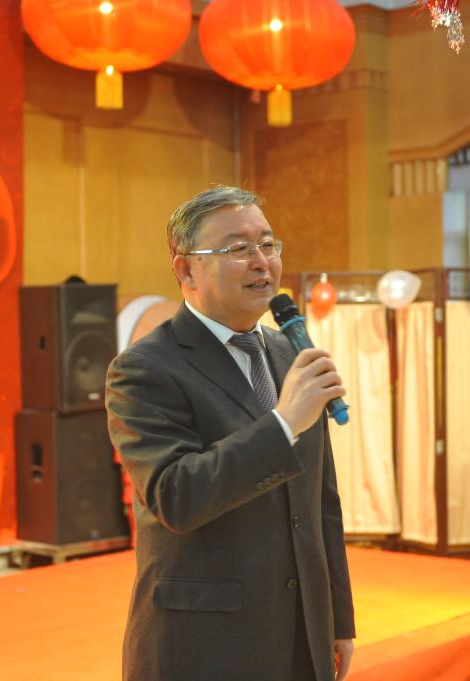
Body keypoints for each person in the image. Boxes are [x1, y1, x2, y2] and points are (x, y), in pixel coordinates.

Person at [106, 186, 355, 681]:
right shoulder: (144, 368)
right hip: (205, 642)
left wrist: (336, 619)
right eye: (238, 248)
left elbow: (320, 502)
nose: (262, 262)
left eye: (268, 244)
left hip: (300, 632)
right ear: (186, 270)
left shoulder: (289, 353)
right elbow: (176, 495)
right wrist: (283, 424)